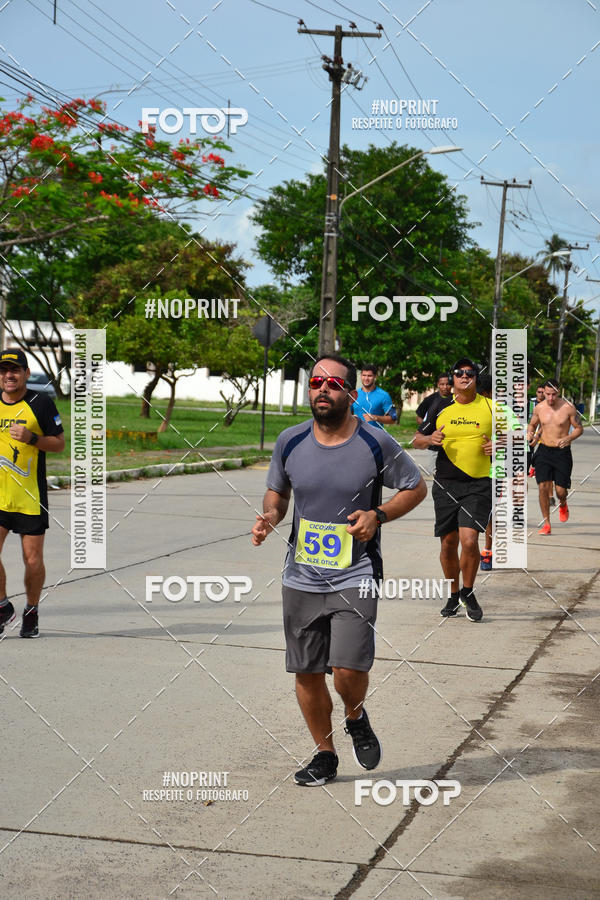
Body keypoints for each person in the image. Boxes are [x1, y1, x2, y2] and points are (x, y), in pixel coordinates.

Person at [252, 354, 426, 786]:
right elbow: (277, 492)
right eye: (315, 382)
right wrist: (270, 516)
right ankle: (324, 754)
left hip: (356, 572)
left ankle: (355, 714)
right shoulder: (290, 441)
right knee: (307, 671)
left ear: (350, 392)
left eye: (333, 383)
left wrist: (378, 516)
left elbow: (415, 486)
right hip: (301, 575)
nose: (322, 390)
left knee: (347, 669)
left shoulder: (375, 442)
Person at [412, 357, 494, 622]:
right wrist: (429, 439)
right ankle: (453, 592)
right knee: (448, 543)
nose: (464, 376)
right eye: (459, 373)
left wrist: (499, 446)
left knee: (469, 540)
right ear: (453, 378)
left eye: (470, 373)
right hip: (445, 484)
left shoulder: (492, 408)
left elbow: (518, 439)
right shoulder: (440, 406)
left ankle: (468, 593)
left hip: (479, 484)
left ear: (476, 379)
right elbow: (416, 439)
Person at [0, 349, 65, 639]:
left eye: (14, 370)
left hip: (30, 496)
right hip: (0, 495)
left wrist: (32, 438)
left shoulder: (40, 403)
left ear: (26, 373)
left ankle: (31, 610)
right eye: (3, 370)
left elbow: (60, 444)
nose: (8, 375)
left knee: (33, 560)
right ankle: (3, 607)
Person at [527, 379, 583, 535]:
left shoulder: (568, 408)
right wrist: (530, 432)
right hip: (544, 451)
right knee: (543, 487)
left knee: (560, 491)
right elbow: (532, 424)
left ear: (558, 392)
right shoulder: (539, 408)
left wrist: (569, 438)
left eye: (553, 394)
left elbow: (579, 428)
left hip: (562, 452)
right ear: (543, 392)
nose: (550, 398)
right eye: (547, 394)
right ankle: (546, 523)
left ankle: (563, 503)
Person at [352, 364, 397, 429]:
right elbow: (345, 415)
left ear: (375, 376)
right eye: (364, 375)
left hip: (376, 436)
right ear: (361, 376)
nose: (366, 378)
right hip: (356, 435)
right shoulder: (354, 394)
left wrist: (376, 418)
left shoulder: (384, 395)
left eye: (369, 376)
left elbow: (393, 418)